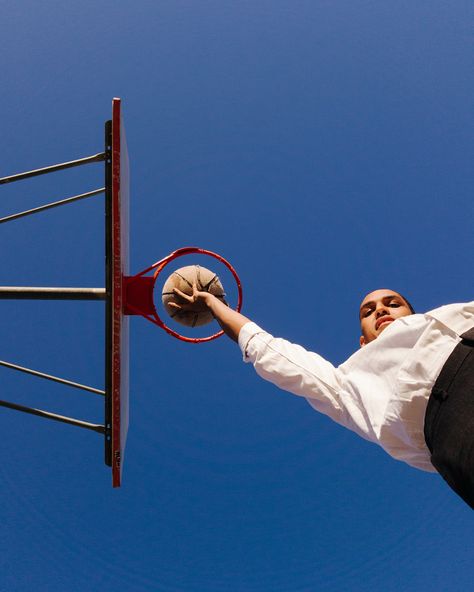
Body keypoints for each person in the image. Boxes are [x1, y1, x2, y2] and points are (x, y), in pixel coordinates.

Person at [170, 287, 474, 509]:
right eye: (368, 311)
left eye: (392, 303)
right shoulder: (348, 383)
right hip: (452, 423)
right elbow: (270, 350)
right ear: (363, 341)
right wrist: (212, 304)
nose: (381, 310)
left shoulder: (452, 314)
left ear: (413, 315)